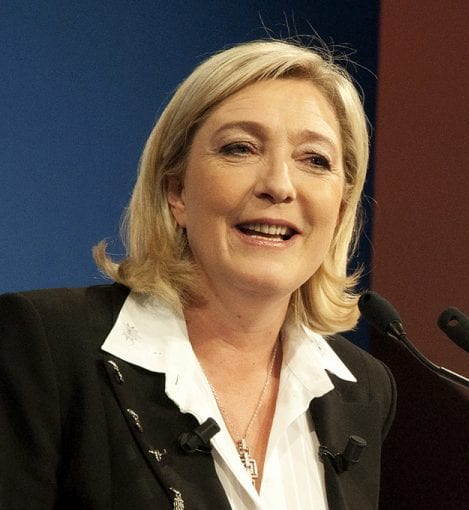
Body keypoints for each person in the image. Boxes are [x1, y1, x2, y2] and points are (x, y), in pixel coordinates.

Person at [0, 39, 396, 510]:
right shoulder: (46, 346)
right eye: (240, 148)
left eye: (315, 160)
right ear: (177, 191)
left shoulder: (363, 389)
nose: (279, 185)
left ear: (341, 208)